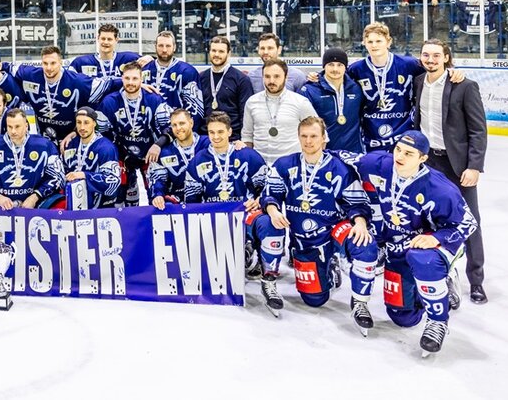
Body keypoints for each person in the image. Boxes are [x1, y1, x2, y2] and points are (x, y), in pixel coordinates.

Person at [343, 131, 478, 355]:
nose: (400, 156)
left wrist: (435, 238)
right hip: (397, 246)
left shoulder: (440, 189)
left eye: (408, 153)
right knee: (404, 317)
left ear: (422, 158)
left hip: (429, 246)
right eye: (398, 149)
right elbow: (346, 157)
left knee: (422, 259)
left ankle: (438, 320)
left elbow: (468, 223)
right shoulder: (378, 164)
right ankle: (423, 286)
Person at [262, 117, 378, 331]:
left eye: (314, 136)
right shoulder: (284, 165)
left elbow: (357, 203)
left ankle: (359, 303)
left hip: (334, 231)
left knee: (365, 244)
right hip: (304, 240)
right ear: (298, 138)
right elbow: (271, 194)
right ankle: (330, 271)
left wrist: (360, 222)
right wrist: (273, 210)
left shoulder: (340, 168)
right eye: (304, 136)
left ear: (324, 138)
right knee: (314, 299)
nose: (308, 141)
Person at [413, 39, 489, 304]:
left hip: (457, 166)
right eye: (426, 55)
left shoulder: (464, 86)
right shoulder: (418, 82)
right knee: (430, 223)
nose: (430, 60)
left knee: (469, 222)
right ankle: (443, 275)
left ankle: (476, 281)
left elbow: (478, 130)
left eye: (436, 55)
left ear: (447, 57)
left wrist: (474, 166)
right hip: (428, 164)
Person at [181, 111, 273, 287]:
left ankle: (261, 261)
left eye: (220, 132)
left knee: (267, 221)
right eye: (212, 132)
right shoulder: (198, 161)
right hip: (214, 217)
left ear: (230, 132)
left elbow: (268, 187)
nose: (216, 137)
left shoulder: (248, 156)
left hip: (244, 213)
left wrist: (258, 199)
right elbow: (191, 200)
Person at [347, 22, 460, 151]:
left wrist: (451, 71)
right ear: (364, 43)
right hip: (370, 137)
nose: (374, 45)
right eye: (370, 41)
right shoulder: (356, 69)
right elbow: (335, 80)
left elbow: (434, 70)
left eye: (379, 41)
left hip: (404, 135)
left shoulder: (409, 64)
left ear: (388, 42)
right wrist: (318, 77)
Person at [8, 45, 118, 145]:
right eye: (45, 63)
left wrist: (130, 79)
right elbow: (4, 67)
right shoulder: (30, 75)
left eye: (53, 63)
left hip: (73, 139)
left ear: (60, 63)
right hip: (45, 139)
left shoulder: (77, 81)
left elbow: (109, 85)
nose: (49, 68)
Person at [97, 62, 172, 205]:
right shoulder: (110, 102)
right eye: (127, 78)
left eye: (135, 79)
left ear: (142, 79)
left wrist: (158, 145)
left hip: (150, 153)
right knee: (117, 191)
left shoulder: (154, 99)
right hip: (123, 154)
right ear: (122, 79)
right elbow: (101, 133)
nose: (130, 83)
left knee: (157, 194)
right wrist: (117, 154)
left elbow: (169, 127)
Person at [0, 109, 65, 210]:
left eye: (17, 126)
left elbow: (58, 176)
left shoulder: (44, 146)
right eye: (10, 127)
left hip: (36, 208)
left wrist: (35, 196)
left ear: (26, 126)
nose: (13, 131)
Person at [241, 58, 318, 164]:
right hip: (259, 166)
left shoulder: (300, 102)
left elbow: (319, 134)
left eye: (277, 76)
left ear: (286, 77)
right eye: (267, 76)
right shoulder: (252, 102)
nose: (271, 81)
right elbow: (247, 136)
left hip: (291, 167)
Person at [299, 47, 364, 152]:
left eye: (340, 65)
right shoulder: (310, 90)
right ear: (324, 66)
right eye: (331, 64)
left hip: (353, 151)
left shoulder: (356, 88)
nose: (335, 69)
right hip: (323, 152)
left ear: (345, 67)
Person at [58, 107, 122, 209]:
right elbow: (60, 172)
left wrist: (84, 175)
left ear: (94, 123)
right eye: (79, 122)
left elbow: (113, 182)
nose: (82, 127)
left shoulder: (106, 148)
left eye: (86, 122)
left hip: (100, 207)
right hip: (73, 202)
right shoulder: (70, 144)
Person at [148, 109, 210, 209]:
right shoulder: (164, 153)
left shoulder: (208, 144)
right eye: (174, 125)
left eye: (182, 123)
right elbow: (158, 179)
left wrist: (238, 145)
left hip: (207, 202)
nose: (178, 128)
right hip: (177, 205)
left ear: (191, 123)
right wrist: (158, 195)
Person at [196, 35, 253, 139]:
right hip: (205, 138)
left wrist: (243, 139)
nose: (216, 54)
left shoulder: (241, 79)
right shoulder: (201, 77)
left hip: (233, 139)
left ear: (229, 53)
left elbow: (245, 115)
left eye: (221, 51)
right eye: (213, 51)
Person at [141, 31, 203, 118]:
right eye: (161, 46)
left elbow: (195, 108)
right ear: (155, 47)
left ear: (174, 47)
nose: (164, 50)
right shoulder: (144, 70)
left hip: (177, 127)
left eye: (168, 46)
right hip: (149, 127)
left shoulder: (187, 71)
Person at [69, 23, 144, 78]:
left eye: (109, 39)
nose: (105, 42)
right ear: (98, 38)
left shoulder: (127, 58)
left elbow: (150, 62)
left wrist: (148, 57)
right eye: (103, 38)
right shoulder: (81, 62)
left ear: (116, 40)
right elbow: (68, 79)